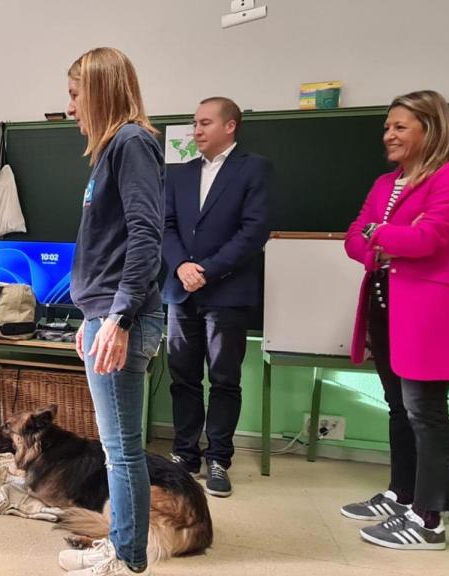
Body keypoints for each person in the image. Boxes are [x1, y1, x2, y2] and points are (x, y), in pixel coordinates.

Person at [342, 89, 449, 551]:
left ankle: (429, 521)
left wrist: (382, 234)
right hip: (384, 306)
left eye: (400, 126)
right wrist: (387, 236)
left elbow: (431, 238)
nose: (389, 135)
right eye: (387, 127)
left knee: (426, 413)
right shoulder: (385, 184)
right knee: (397, 407)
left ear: (430, 128)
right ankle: (402, 495)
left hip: (428, 312)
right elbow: (354, 238)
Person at [59, 47, 163, 576]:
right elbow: (110, 246)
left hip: (125, 315)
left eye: (76, 94)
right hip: (107, 312)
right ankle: (123, 547)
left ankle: (126, 557)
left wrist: (118, 317)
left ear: (99, 90)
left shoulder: (132, 142)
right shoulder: (110, 151)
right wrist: (92, 315)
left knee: (121, 451)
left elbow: (147, 237)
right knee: (116, 446)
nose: (71, 107)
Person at [161, 97, 271, 498]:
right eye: (194, 123)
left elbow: (253, 231)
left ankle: (219, 458)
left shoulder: (254, 168)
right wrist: (181, 267)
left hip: (227, 290)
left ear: (230, 126)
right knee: (183, 376)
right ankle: (184, 454)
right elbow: (166, 226)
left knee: (224, 378)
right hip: (180, 290)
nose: (197, 130)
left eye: (205, 123)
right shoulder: (179, 173)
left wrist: (205, 269)